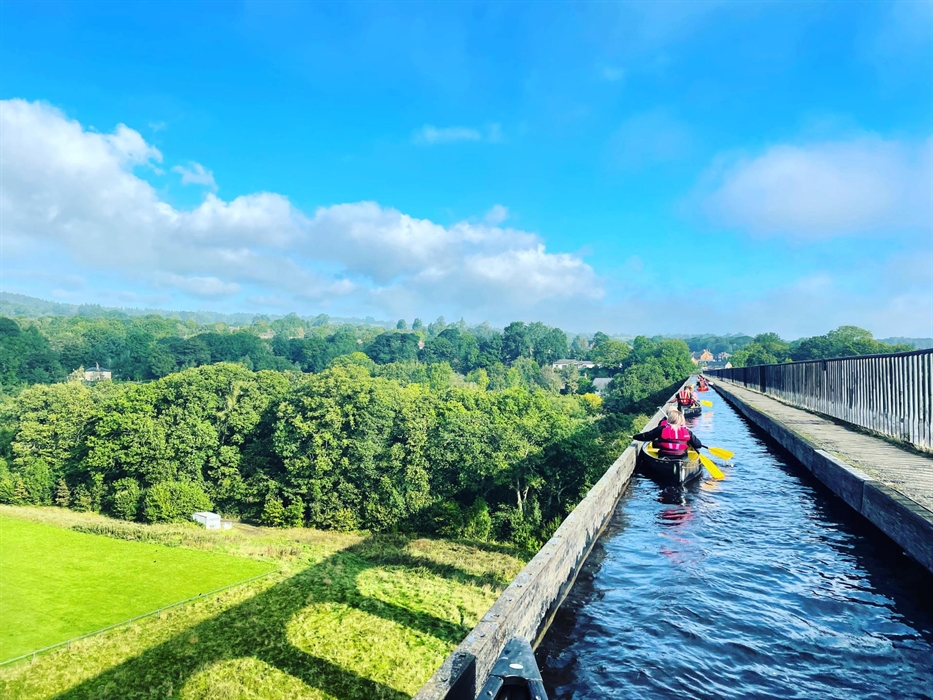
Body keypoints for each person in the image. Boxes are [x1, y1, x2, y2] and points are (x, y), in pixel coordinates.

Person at [633, 409, 704, 458]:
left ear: (669, 419)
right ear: (681, 420)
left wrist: (634, 437)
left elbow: (647, 436)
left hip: (665, 456)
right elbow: (698, 445)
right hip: (681, 457)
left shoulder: (661, 429)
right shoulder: (687, 431)